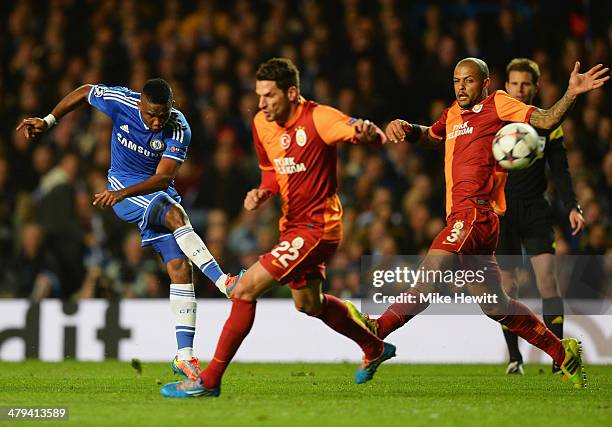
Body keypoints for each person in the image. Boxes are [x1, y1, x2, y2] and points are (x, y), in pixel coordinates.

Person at [345, 57, 608, 389]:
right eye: (456, 80)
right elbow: (434, 136)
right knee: (497, 305)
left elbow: (546, 119)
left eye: (468, 81)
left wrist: (571, 93)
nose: (460, 87)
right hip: (471, 220)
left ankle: (376, 332)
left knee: (428, 278)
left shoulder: (498, 103)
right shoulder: (453, 113)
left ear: (484, 83)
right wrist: (410, 130)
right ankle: (563, 352)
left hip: (474, 214)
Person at [160, 58, 394, 398]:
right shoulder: (261, 123)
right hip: (293, 227)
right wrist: (263, 192)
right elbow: (270, 169)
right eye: (259, 95)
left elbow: (371, 136)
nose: (261, 103)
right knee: (308, 304)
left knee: (244, 289)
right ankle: (374, 347)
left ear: (292, 92)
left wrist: (369, 134)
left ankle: (208, 381)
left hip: (319, 227)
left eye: (269, 95)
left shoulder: (319, 118)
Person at [16, 78, 241, 382]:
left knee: (179, 267)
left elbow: (163, 179)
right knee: (175, 215)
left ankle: (184, 356)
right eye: (151, 114)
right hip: (123, 188)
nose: (156, 121)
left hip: (153, 191)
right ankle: (223, 282)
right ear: (140, 104)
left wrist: (124, 193)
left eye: (162, 114)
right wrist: (48, 120)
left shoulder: (178, 127)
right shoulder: (121, 102)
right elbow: (85, 92)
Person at [497, 58, 585, 375]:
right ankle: (514, 358)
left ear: (536, 87)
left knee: (548, 280)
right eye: (514, 84)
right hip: (501, 211)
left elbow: (560, 170)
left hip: (535, 208)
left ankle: (560, 359)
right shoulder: (495, 121)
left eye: (525, 84)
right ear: (506, 86)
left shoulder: (548, 122)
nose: (519, 90)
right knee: (507, 288)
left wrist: (574, 205)